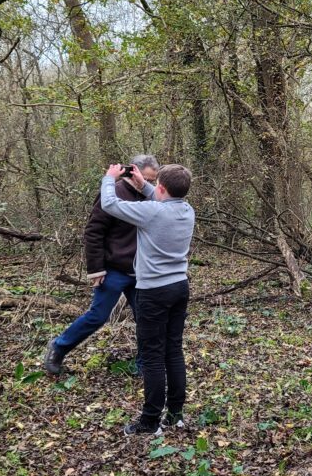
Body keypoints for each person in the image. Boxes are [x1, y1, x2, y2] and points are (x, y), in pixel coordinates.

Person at [102, 162, 197, 436]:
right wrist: (141, 182)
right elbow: (159, 195)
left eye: (157, 186)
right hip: (179, 287)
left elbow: (110, 204)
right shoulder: (187, 210)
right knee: (173, 350)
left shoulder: (152, 212)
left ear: (163, 187)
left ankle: (150, 420)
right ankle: (175, 414)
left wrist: (110, 178)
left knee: (153, 356)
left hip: (153, 291)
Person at [43, 155, 160, 376]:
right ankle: (58, 347)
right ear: (131, 171)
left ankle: (143, 364)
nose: (147, 183)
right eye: (144, 178)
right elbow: (93, 231)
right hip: (114, 268)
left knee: (146, 318)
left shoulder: (150, 196)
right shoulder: (113, 193)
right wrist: (96, 268)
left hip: (141, 270)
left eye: (152, 180)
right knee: (98, 315)